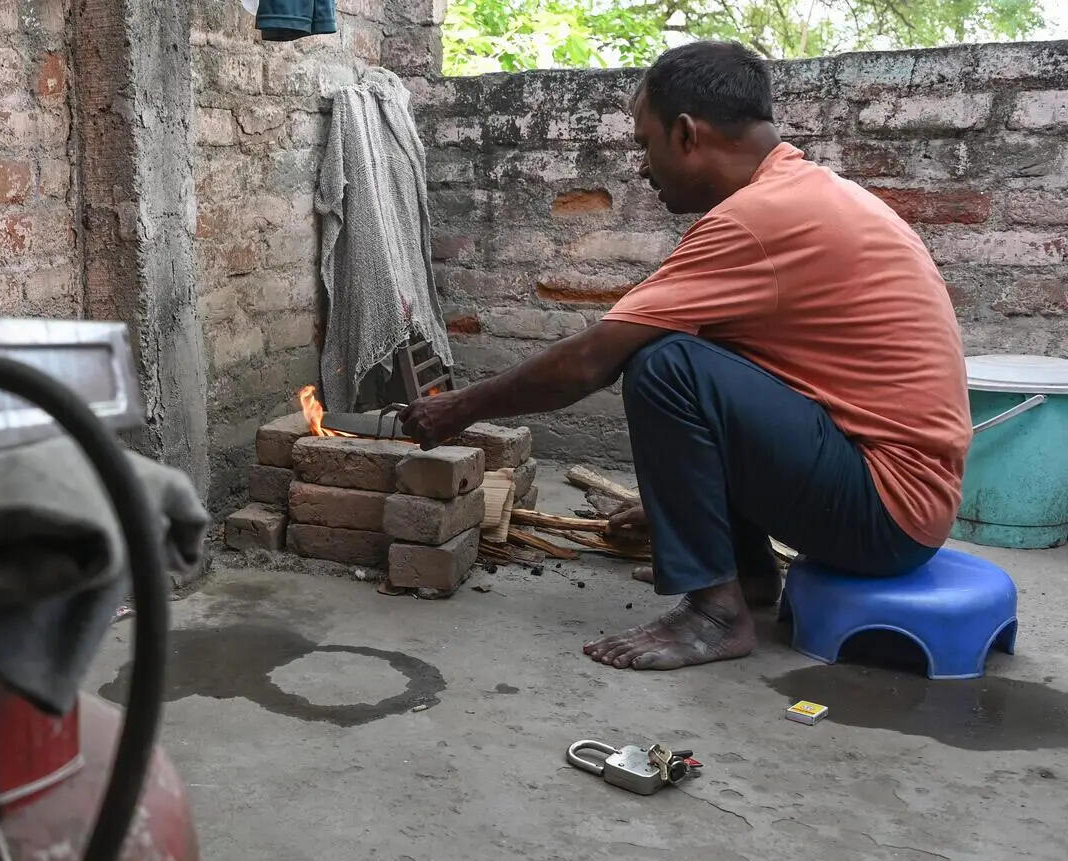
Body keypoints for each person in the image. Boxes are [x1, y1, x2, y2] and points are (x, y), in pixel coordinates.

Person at [400, 40, 971, 671]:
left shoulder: (758, 219)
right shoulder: (800, 193)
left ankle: (714, 615)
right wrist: (679, 506)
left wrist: (457, 409)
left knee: (665, 364)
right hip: (893, 500)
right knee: (690, 346)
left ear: (686, 134)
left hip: (885, 514)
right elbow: (761, 400)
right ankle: (749, 579)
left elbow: (592, 360)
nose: (644, 169)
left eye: (645, 145)